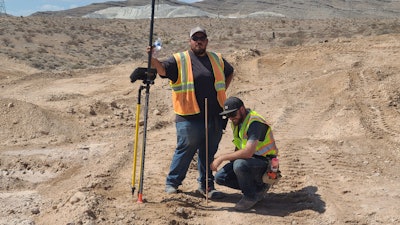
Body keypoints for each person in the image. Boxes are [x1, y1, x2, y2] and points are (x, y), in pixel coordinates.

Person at [148, 26, 234, 199]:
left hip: (214, 116)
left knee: (208, 153)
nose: (199, 41)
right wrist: (152, 57)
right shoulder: (180, 59)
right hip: (188, 116)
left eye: (202, 38)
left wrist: (223, 89)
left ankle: (207, 187)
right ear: (190, 41)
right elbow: (163, 71)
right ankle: (172, 184)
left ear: (207, 41)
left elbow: (230, 72)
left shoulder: (216, 58)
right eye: (195, 38)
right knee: (185, 150)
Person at [210, 96, 279, 211]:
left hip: (268, 163)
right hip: (252, 161)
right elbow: (239, 146)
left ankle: (251, 196)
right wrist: (231, 166)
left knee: (239, 164)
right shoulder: (237, 122)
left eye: (232, 115)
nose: (230, 118)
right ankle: (257, 188)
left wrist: (221, 158)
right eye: (228, 116)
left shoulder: (255, 122)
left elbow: (247, 152)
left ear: (242, 109)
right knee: (220, 177)